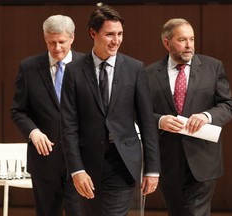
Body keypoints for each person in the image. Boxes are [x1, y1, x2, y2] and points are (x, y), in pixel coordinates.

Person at [60, 5, 161, 216]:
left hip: (123, 162)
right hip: (87, 164)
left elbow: (146, 122)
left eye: (120, 34)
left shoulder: (135, 69)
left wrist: (152, 169)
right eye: (110, 34)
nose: (116, 40)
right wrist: (76, 170)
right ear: (93, 33)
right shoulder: (74, 70)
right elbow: (68, 125)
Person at [146, 18, 232, 216]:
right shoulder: (149, 74)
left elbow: (228, 105)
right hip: (168, 160)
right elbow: (139, 113)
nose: (189, 45)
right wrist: (160, 120)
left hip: (203, 159)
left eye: (192, 39)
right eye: (182, 40)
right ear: (166, 43)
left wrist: (207, 116)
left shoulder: (213, 67)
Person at [11, 15, 84, 216]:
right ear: (45, 38)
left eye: (62, 42)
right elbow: (18, 110)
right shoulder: (29, 67)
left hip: (80, 159)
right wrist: (33, 132)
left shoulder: (87, 65)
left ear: (72, 38)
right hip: (44, 160)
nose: (57, 47)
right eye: (52, 42)